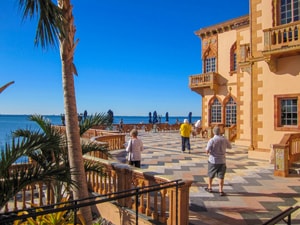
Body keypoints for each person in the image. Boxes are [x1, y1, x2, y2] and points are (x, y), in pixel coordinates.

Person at [205, 126, 232, 196]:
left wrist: (209, 151)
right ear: (219, 132)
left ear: (213, 132)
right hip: (222, 160)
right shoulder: (224, 139)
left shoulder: (212, 140)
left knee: (211, 174)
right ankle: (221, 190)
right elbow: (230, 147)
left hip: (213, 160)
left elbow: (207, 151)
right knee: (221, 176)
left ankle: (210, 187)